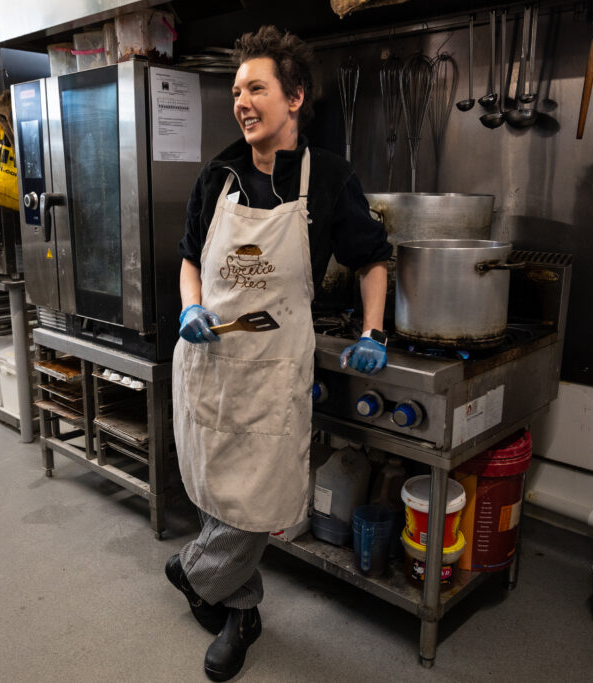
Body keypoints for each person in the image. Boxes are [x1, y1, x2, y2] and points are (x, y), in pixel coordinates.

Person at [167, 25, 391, 681]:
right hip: (212, 360)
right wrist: (189, 305)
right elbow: (188, 258)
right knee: (218, 493)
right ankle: (240, 611)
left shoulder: (328, 180)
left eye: (255, 87)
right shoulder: (220, 174)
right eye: (237, 89)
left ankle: (195, 569)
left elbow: (373, 259)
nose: (242, 99)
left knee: (258, 504)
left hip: (274, 372)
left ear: (294, 97)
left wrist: (373, 332)